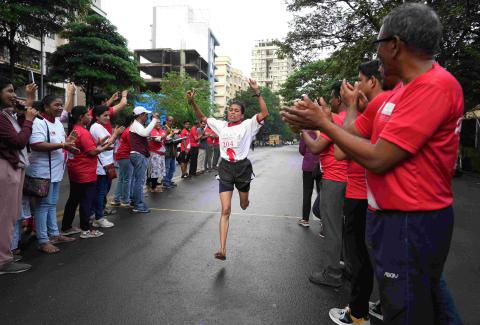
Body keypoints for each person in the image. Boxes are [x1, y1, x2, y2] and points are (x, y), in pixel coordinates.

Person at [282, 4, 463, 324]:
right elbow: (348, 139)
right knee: (424, 301)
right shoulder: (397, 94)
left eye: (378, 43)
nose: (376, 54)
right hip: (391, 216)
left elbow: (378, 158)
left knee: (406, 309)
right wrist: (321, 119)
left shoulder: (434, 86)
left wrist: (323, 124)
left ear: (394, 44)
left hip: (412, 219)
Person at [328, 60, 388, 324]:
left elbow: (340, 150)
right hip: (375, 196)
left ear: (372, 82)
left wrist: (351, 106)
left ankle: (357, 314)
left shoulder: (374, 112)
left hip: (361, 195)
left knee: (358, 258)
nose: (357, 87)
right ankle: (384, 305)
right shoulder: (386, 107)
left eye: (360, 80)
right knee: (378, 256)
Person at [187, 79, 269, 260]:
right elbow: (202, 118)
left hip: (242, 169)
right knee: (225, 210)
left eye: (236, 111)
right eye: (230, 110)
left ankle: (246, 199)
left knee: (243, 205)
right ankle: (222, 249)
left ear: (242, 114)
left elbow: (264, 113)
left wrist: (257, 92)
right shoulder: (221, 125)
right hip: (225, 168)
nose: (232, 113)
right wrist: (193, 102)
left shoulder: (248, 125)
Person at [301, 82, 348, 288]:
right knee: (345, 228)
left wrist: (303, 130)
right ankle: (347, 265)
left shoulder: (335, 121)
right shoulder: (350, 119)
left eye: (329, 101)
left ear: (339, 99)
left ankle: (332, 273)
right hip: (350, 180)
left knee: (332, 228)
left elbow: (316, 147)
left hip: (335, 179)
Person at [28, 94, 78, 254]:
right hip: (43, 171)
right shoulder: (38, 122)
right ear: (46, 107)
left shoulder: (57, 123)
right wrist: (63, 144)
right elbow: (36, 145)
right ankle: (43, 241)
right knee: (43, 206)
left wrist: (68, 146)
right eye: (56, 105)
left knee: (51, 205)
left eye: (61, 104)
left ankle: (54, 234)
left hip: (56, 171)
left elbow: (61, 143)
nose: (60, 107)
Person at [0, 77, 37, 274]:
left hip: (14, 166)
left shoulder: (7, 115)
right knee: (6, 215)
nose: (14, 95)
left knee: (12, 213)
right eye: (9, 91)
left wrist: (25, 113)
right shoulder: (1, 118)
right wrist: (29, 120)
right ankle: (3, 260)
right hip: (6, 168)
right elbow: (18, 141)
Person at [61, 106, 113, 239]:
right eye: (87, 115)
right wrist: (106, 145)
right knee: (86, 200)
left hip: (76, 170)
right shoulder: (82, 132)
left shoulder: (77, 130)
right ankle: (86, 229)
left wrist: (98, 144)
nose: (89, 117)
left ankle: (66, 227)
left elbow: (86, 147)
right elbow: (91, 152)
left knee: (74, 199)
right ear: (80, 117)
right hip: (85, 171)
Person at [90, 105, 124, 227]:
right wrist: (115, 134)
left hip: (106, 163)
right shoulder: (97, 127)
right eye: (105, 115)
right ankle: (98, 218)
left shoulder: (100, 126)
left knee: (101, 192)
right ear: (97, 116)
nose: (108, 117)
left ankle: (95, 215)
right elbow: (106, 144)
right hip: (101, 165)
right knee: (101, 192)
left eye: (108, 115)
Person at [129, 106, 160, 213]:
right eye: (146, 114)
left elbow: (143, 135)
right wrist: (154, 119)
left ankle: (135, 201)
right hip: (139, 155)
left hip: (137, 154)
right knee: (139, 181)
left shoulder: (136, 125)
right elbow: (144, 133)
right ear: (141, 115)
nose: (147, 116)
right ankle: (138, 204)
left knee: (137, 180)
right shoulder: (136, 124)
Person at [297, 131, 321, 227]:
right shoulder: (322, 130)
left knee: (307, 193)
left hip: (308, 166)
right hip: (320, 166)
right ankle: (323, 219)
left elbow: (302, 150)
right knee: (321, 194)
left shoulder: (305, 132)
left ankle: (305, 219)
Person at [111, 115, 135, 207]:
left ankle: (117, 199)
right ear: (132, 122)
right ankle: (125, 200)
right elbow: (133, 145)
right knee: (127, 179)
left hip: (122, 156)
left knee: (122, 178)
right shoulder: (129, 131)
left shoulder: (127, 130)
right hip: (126, 156)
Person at [147, 120, 167, 192]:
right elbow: (157, 139)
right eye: (156, 122)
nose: (158, 124)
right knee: (154, 170)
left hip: (161, 153)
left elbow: (164, 139)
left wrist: (167, 136)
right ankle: (153, 187)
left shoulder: (161, 130)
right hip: (155, 152)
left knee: (159, 170)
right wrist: (163, 136)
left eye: (159, 122)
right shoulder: (152, 130)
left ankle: (155, 186)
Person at [163, 116, 180, 187]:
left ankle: (169, 180)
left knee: (173, 167)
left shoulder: (171, 129)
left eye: (172, 121)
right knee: (167, 167)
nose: (171, 122)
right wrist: (172, 137)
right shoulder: (164, 128)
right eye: (170, 121)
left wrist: (179, 139)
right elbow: (164, 140)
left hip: (173, 151)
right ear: (166, 121)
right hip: (167, 151)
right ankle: (166, 181)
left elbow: (173, 139)